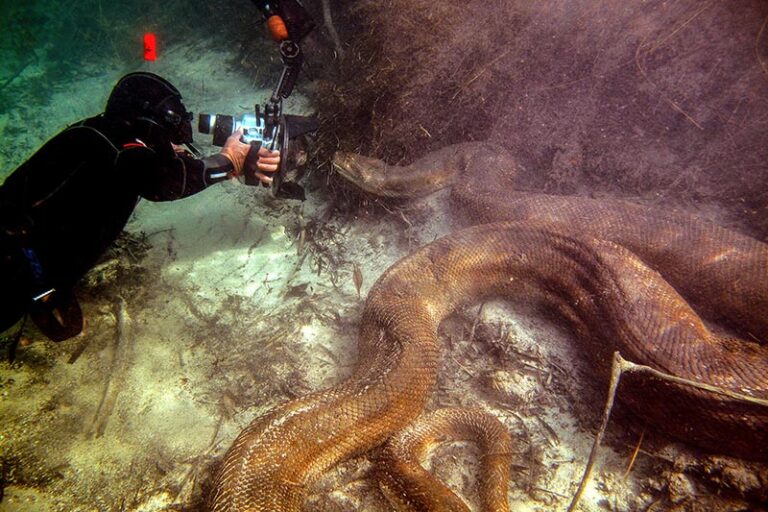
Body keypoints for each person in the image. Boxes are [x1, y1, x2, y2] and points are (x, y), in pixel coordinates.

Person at [0, 72, 280, 343]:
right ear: (152, 118)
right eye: (172, 119)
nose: (178, 132)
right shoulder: (121, 149)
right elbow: (164, 182)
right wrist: (228, 160)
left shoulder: (102, 134)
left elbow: (152, 172)